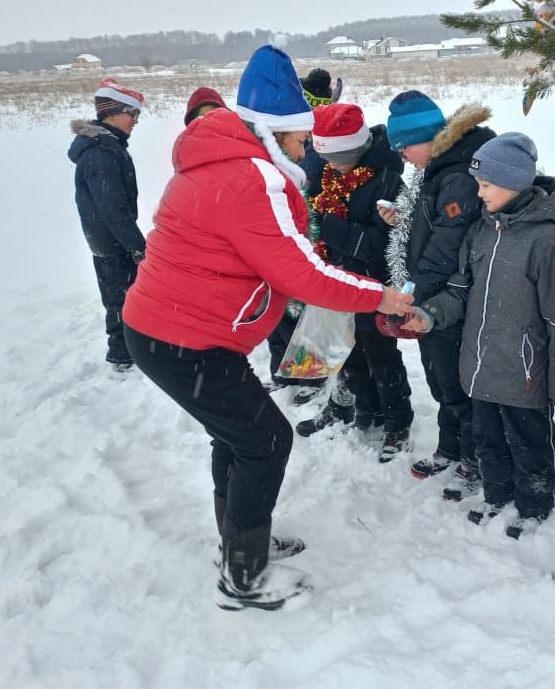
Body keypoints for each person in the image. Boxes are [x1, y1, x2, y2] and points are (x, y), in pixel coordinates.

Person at [121, 44, 415, 611]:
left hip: (173, 332)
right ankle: (245, 577)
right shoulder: (249, 178)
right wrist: (382, 294)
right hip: (184, 341)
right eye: (302, 140)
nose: (308, 152)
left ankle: (239, 545)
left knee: (239, 437)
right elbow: (300, 272)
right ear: (275, 133)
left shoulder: (217, 163)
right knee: (266, 440)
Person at [406, 132, 555, 537]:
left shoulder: (548, 242)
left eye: (486, 186)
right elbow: (461, 289)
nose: (478, 194)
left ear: (514, 183)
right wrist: (430, 315)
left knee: (530, 445)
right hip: (480, 369)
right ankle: (497, 495)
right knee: (488, 442)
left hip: (524, 374)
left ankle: (534, 506)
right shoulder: (481, 231)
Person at [379, 91, 496, 502]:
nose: (403, 156)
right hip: (432, 294)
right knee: (438, 377)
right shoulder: (439, 168)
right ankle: (451, 447)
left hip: (450, 298)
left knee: (455, 382)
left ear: (428, 136)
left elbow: (446, 247)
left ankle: (475, 460)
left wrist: (413, 294)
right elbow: (427, 229)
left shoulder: (459, 175)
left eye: (405, 146)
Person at [294, 102, 415, 462]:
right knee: (347, 354)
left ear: (357, 150)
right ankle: (366, 410)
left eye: (337, 158)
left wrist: (326, 226)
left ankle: (397, 422)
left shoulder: (389, 181)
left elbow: (383, 246)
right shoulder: (333, 175)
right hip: (338, 282)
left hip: (375, 288)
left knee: (382, 359)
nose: (330, 165)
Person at [263, 67, 337, 404]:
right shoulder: (278, 137)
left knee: (306, 310)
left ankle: (311, 374)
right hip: (282, 227)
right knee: (278, 308)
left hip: (313, 229)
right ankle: (282, 369)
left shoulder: (322, 143)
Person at [67, 78, 147, 372]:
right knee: (121, 299)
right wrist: (136, 245)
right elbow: (113, 208)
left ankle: (128, 352)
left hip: (108, 238)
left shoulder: (107, 145)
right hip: (113, 241)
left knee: (122, 296)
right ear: (113, 112)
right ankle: (122, 357)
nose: (136, 121)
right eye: (132, 114)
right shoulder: (101, 152)